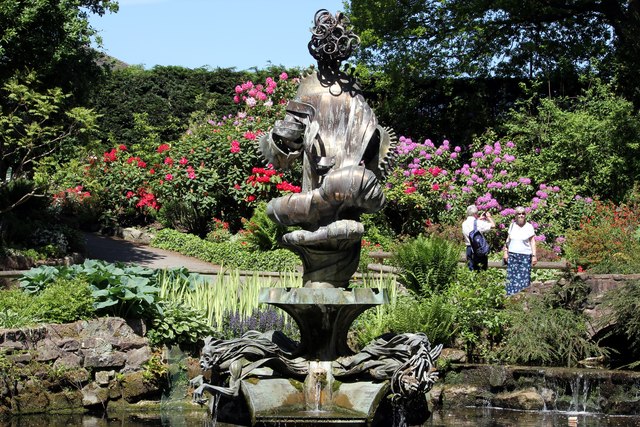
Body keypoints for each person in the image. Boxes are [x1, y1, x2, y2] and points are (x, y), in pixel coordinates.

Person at [502, 206, 537, 295]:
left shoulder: (529, 226)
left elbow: (532, 242)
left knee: (524, 280)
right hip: (512, 255)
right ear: (515, 215)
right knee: (511, 278)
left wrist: (534, 256)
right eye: (519, 214)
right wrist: (505, 252)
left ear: (525, 215)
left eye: (523, 214)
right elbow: (508, 240)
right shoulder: (512, 225)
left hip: (525, 256)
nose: (521, 215)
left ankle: (523, 301)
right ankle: (511, 300)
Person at [461, 205, 495, 271]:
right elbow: (493, 225)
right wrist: (489, 217)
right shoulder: (479, 223)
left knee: (471, 269)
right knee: (481, 270)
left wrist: (478, 218)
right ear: (475, 214)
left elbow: (472, 225)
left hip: (469, 248)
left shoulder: (464, 223)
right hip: (479, 249)